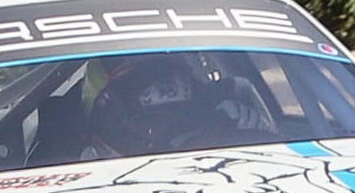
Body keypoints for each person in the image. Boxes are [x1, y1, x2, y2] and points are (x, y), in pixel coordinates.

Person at [79, 52, 275, 158]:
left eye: (177, 115)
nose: (160, 127)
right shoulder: (92, 162)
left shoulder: (232, 119)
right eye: (149, 120)